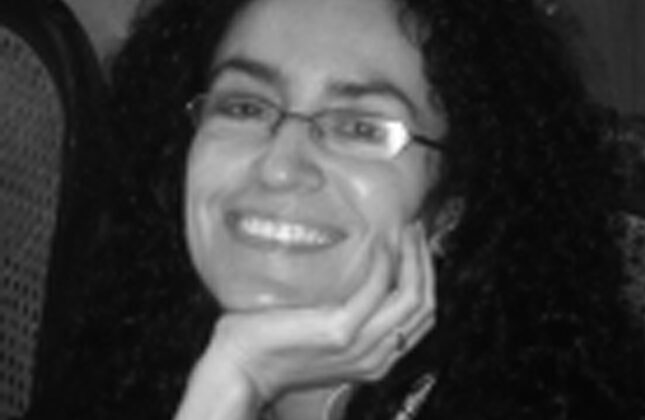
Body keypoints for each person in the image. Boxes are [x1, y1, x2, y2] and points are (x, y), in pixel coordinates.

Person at [26, 0, 645, 419]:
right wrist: (227, 384)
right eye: (244, 106)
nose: (280, 166)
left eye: (359, 127)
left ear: (453, 210)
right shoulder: (124, 367)